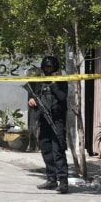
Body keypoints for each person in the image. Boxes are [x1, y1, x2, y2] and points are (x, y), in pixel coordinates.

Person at [26, 56, 69, 194]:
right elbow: (33, 94)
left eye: (50, 67)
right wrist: (31, 100)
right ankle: (51, 179)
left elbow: (62, 97)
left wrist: (55, 84)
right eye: (46, 68)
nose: (48, 70)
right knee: (46, 149)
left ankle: (63, 182)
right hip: (43, 119)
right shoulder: (40, 80)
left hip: (57, 119)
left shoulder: (60, 81)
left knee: (58, 150)